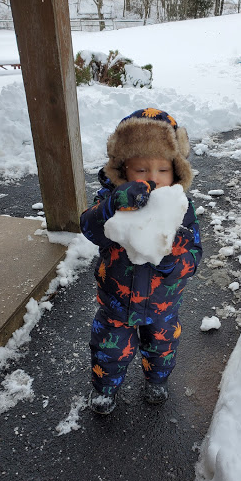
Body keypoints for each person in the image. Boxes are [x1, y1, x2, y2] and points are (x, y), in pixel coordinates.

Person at [80, 108, 202, 414]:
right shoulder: (112, 203)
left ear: (177, 172)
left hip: (163, 305)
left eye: (162, 170)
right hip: (116, 303)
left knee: (161, 349)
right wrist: (111, 206)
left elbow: (194, 254)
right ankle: (105, 389)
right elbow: (90, 228)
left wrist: (173, 264)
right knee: (109, 351)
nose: (152, 179)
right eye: (141, 170)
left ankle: (156, 380)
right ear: (123, 171)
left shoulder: (181, 210)